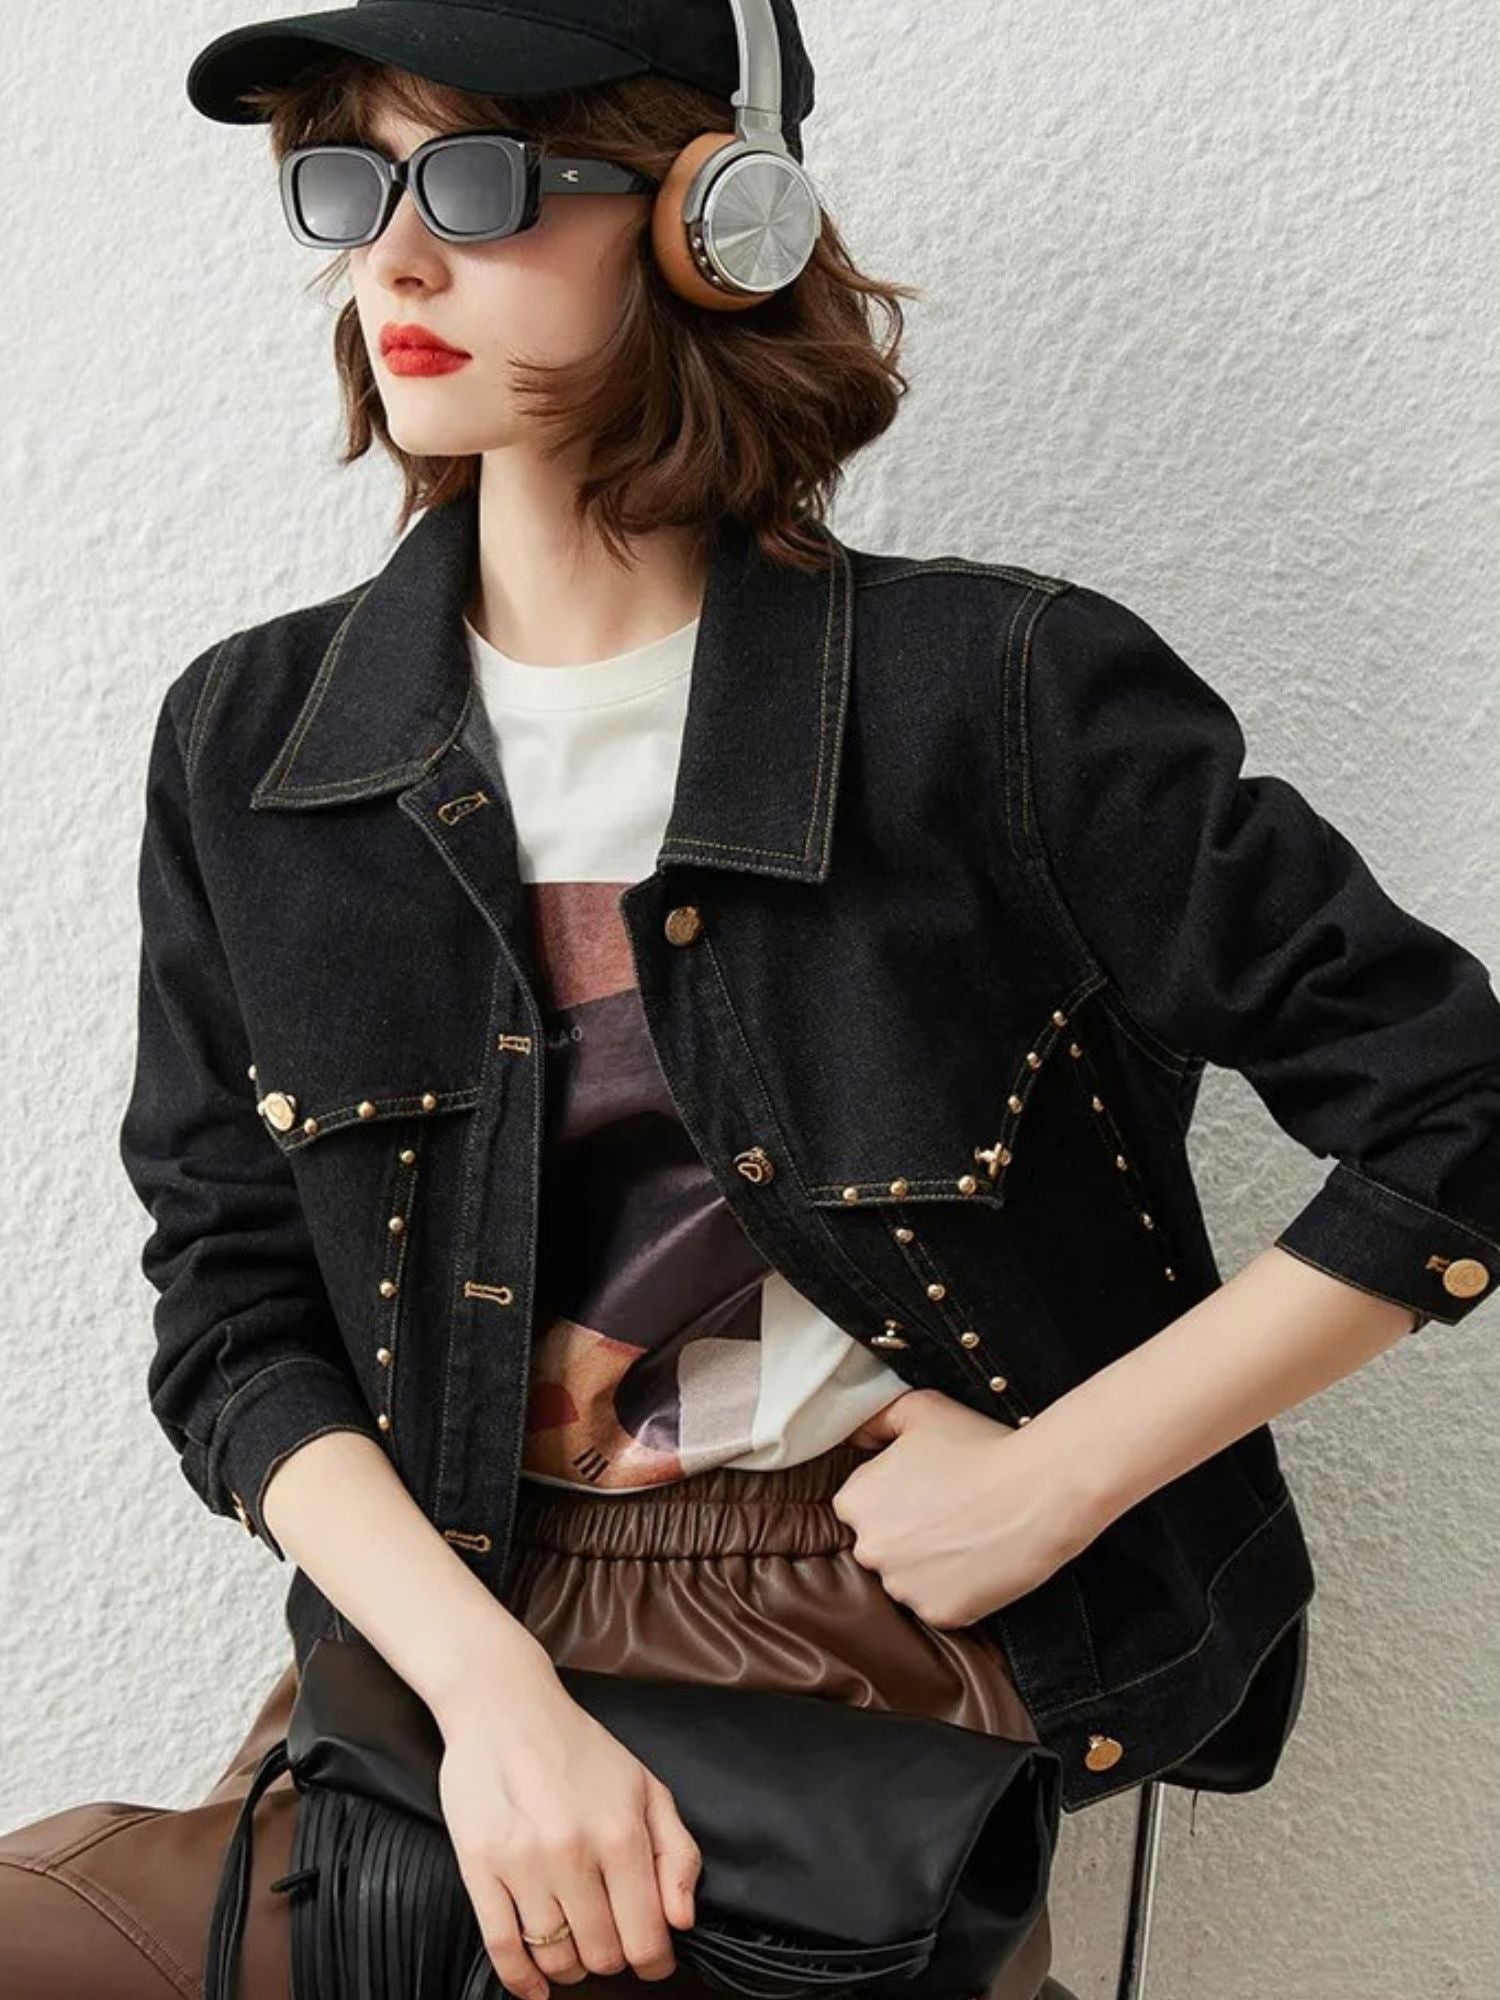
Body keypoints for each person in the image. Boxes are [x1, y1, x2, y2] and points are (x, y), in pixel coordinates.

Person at [5, 5, 1497, 2000]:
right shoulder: (258, 743)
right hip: (435, 1632)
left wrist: (1059, 1475)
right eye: (352, 182)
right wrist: (494, 1702)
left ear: (716, 219)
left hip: (856, 1633)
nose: (397, 263)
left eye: (480, 180)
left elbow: (1455, 1110)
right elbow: (231, 1307)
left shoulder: (999, 700)